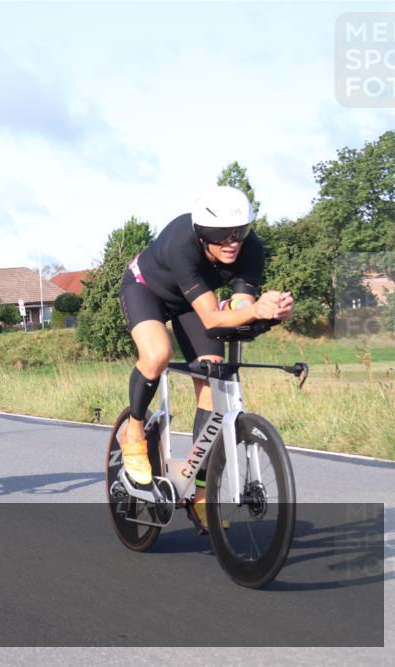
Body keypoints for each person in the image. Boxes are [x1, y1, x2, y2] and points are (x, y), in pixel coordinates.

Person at [117, 185, 294, 530]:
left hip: (192, 304)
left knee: (213, 384)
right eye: (220, 235)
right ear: (201, 234)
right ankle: (134, 435)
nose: (232, 242)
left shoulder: (251, 250)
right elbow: (213, 318)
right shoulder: (182, 243)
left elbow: (240, 307)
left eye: (239, 233)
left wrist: (270, 311)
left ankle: (199, 490)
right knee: (157, 354)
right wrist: (256, 310)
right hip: (146, 291)